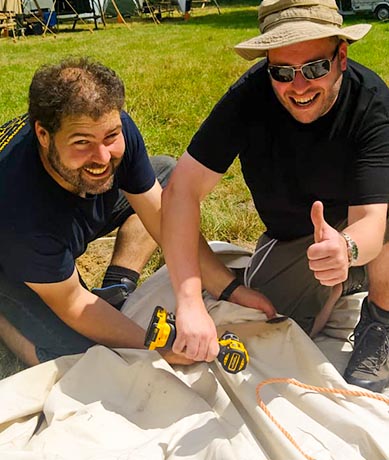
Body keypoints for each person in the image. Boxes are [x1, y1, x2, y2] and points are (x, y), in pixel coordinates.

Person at [161, 0, 389, 393]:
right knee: (275, 331)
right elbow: (181, 190)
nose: (299, 87)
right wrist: (190, 300)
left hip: (359, 230)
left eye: (315, 68)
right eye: (281, 72)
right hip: (293, 242)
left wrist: (347, 248)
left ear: (342, 57)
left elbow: (372, 219)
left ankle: (381, 317)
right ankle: (351, 280)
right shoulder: (247, 99)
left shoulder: (372, 103)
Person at [0, 58, 275, 368]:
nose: (102, 157)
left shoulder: (109, 128)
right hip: (12, 254)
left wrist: (228, 288)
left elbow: (160, 213)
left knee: (165, 180)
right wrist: (153, 346)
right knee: (78, 355)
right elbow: (73, 302)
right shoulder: (17, 207)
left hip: (62, 215)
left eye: (110, 137)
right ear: (43, 134)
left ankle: (116, 287)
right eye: (82, 142)